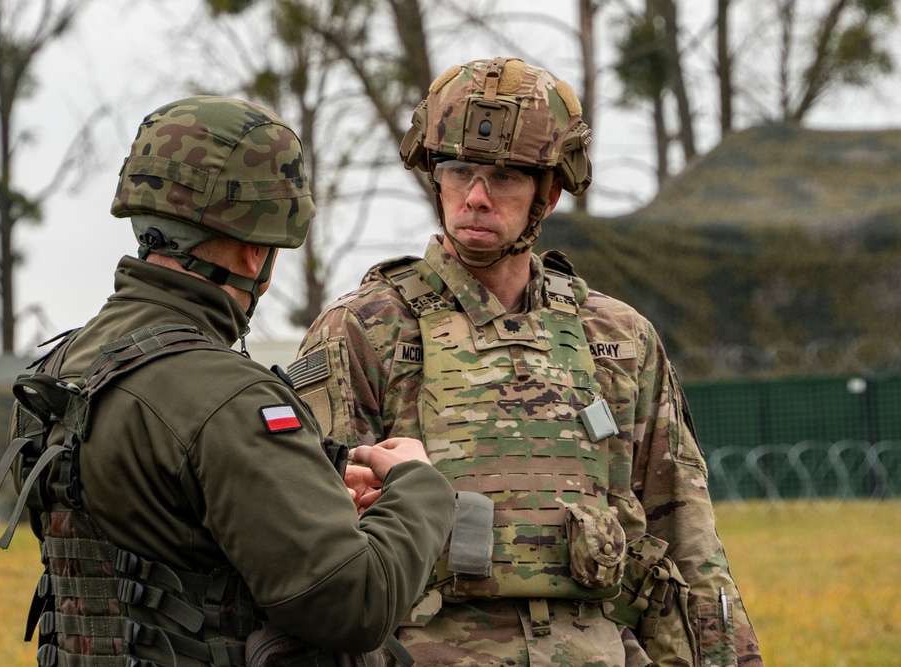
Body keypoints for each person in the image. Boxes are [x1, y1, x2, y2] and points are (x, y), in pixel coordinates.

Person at [292, 58, 764, 666]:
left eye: (505, 177)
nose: (476, 197)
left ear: (550, 191)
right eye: (458, 171)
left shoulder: (618, 338)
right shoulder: (366, 328)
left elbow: (687, 535)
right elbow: (309, 537)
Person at [0, 96, 455, 667]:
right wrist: (420, 487)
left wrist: (297, 483)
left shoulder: (57, 373)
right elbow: (353, 603)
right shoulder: (228, 397)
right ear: (255, 254)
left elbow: (148, 541)